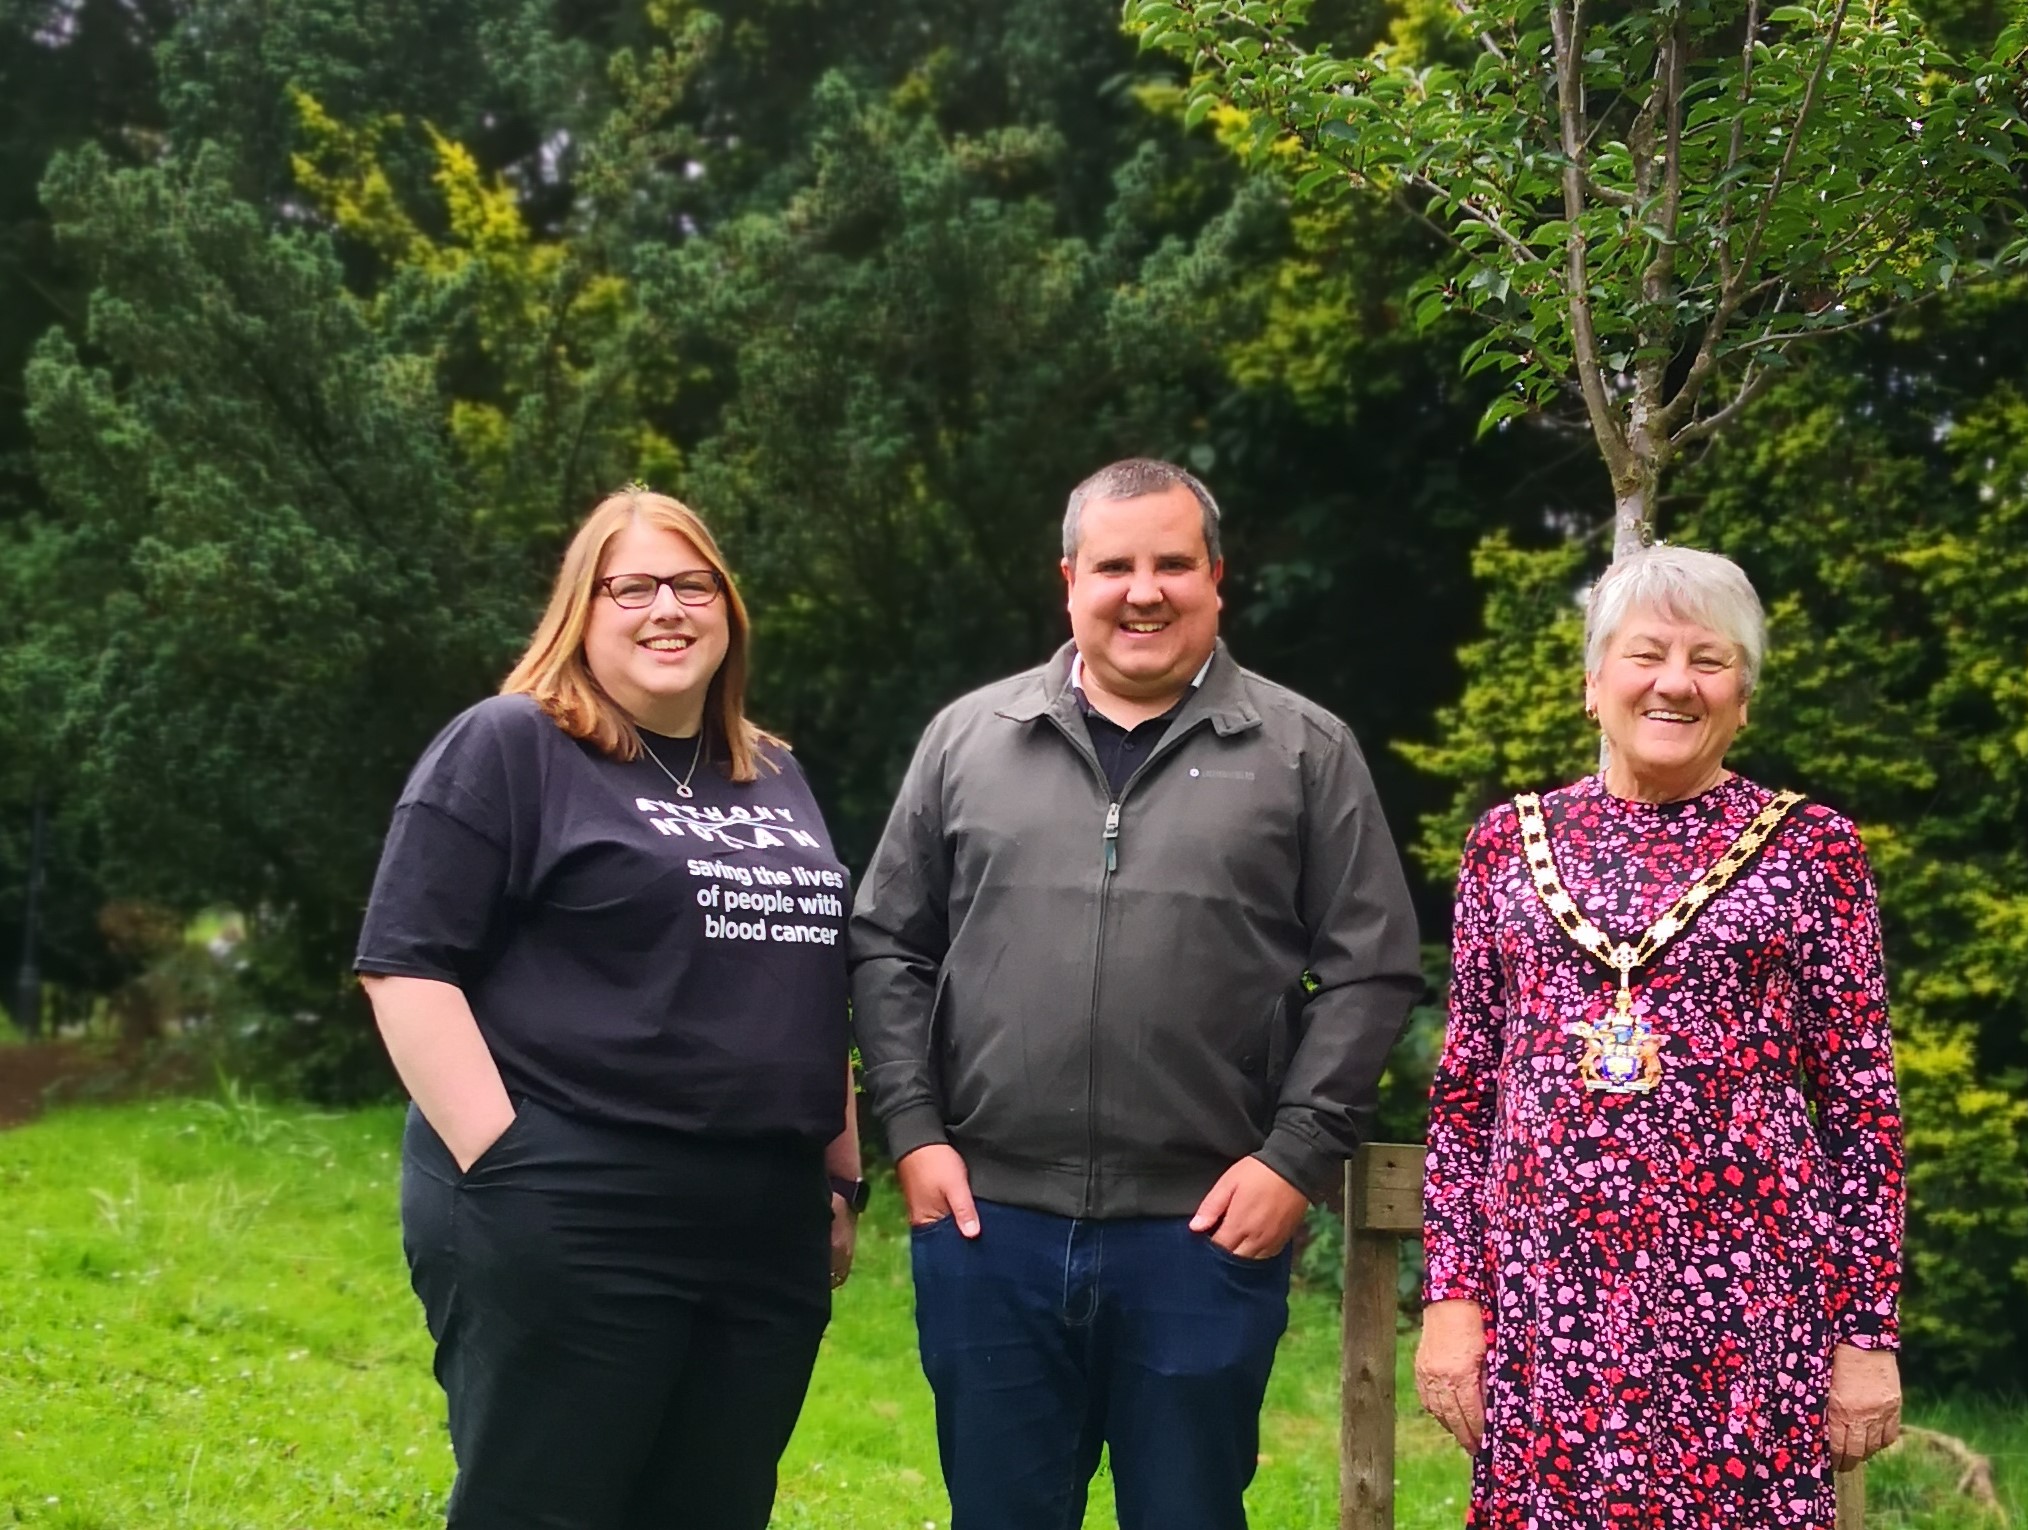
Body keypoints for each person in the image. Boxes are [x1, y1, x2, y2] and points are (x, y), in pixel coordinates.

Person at [850, 458, 1423, 1530]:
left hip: (1202, 1234)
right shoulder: (968, 740)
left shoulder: (1303, 751)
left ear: (1216, 578)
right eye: (1114, 565)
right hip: (990, 1228)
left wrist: (1294, 1157)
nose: (1142, 590)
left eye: (1171, 563)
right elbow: (888, 943)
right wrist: (914, 1134)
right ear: (1069, 581)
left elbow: (1371, 965)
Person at [354, 486, 865, 1530]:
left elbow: (811, 980)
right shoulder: (512, 745)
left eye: (692, 585)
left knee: (711, 1509)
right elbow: (406, 965)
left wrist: (841, 1177)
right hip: (571, 1202)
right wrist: (504, 1164)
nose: (666, 609)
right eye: (630, 587)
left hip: (759, 1225)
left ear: (728, 611)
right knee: (547, 1508)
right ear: (580, 612)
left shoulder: (769, 772)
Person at [1413, 543, 1905, 1529]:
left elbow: (1861, 1116)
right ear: (1594, 683)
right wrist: (1450, 1301)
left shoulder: (1812, 849)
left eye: (1708, 660)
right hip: (1548, 1322)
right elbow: (1464, 1101)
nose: (1673, 683)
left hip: (1744, 1325)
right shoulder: (1505, 845)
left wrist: (1865, 1335)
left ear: (1743, 697)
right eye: (1645, 655)